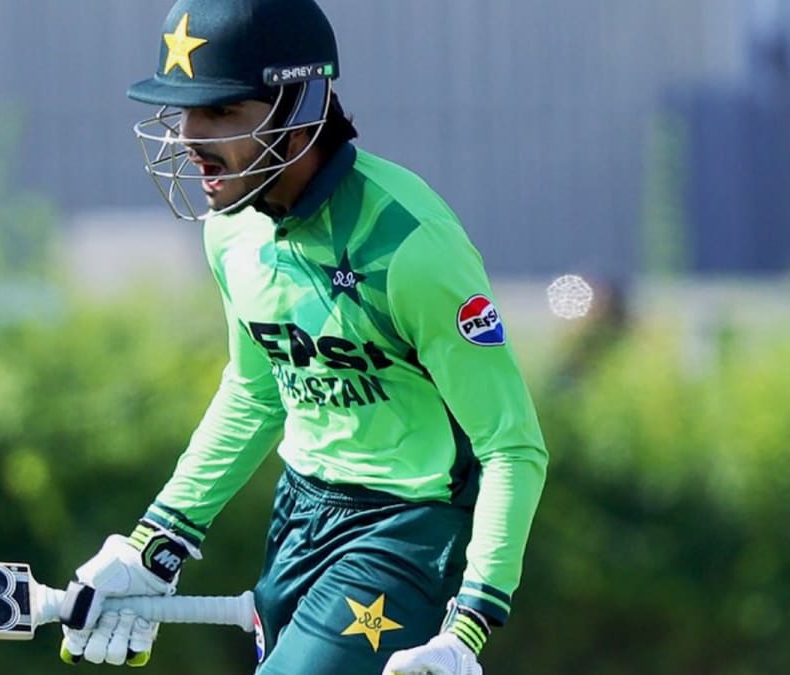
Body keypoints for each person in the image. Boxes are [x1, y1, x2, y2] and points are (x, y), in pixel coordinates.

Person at [58, 1, 549, 673]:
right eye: (185, 111)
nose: (189, 137)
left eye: (221, 110)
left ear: (300, 110)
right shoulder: (230, 229)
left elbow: (512, 445)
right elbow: (256, 393)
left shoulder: (412, 245)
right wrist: (158, 540)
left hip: (408, 527)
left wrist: (470, 625)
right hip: (298, 514)